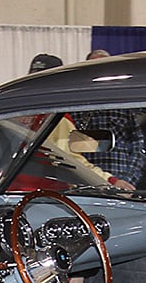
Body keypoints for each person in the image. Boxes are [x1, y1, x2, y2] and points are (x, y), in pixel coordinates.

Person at [25, 53, 136, 191]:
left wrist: (127, 178)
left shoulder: (12, 111)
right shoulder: (60, 117)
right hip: (44, 194)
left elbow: (137, 145)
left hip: (11, 193)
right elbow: (70, 160)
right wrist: (110, 181)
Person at [71, 49, 146, 187]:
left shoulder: (124, 106)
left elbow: (137, 146)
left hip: (121, 180)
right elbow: (70, 150)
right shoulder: (74, 108)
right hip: (86, 182)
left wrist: (128, 180)